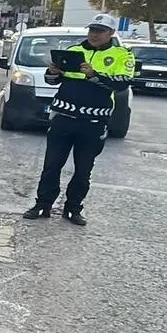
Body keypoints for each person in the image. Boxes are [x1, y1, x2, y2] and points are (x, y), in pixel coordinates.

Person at [23, 14, 134, 225]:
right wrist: (52, 72)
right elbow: (52, 80)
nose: (94, 34)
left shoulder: (122, 55)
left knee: (83, 170)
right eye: (92, 29)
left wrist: (94, 75)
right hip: (63, 117)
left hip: (93, 123)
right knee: (51, 166)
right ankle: (42, 205)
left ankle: (73, 209)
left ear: (111, 33)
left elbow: (122, 83)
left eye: (100, 31)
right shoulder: (74, 51)